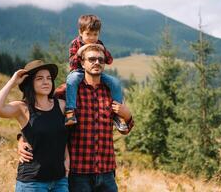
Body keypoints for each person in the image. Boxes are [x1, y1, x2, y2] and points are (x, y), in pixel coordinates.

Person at [19, 44, 135, 192]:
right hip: (78, 172)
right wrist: (22, 138)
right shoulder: (67, 91)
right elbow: (40, 114)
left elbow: (124, 130)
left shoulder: (111, 92)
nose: (97, 62)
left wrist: (128, 115)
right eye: (92, 59)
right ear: (82, 63)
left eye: (101, 59)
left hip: (106, 172)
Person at [0, 60, 70, 192]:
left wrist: (67, 159)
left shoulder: (61, 105)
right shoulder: (22, 108)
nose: (46, 82)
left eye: (49, 78)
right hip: (32, 182)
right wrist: (12, 82)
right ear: (29, 82)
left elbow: (62, 135)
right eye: (39, 78)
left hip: (59, 181)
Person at [65, 14, 126, 132]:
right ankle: (70, 111)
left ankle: (118, 115)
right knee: (71, 81)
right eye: (88, 34)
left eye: (95, 34)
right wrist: (79, 52)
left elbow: (109, 60)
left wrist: (102, 49)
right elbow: (72, 64)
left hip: (97, 73)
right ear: (80, 32)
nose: (92, 38)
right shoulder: (75, 43)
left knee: (115, 82)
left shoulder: (99, 43)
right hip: (78, 71)